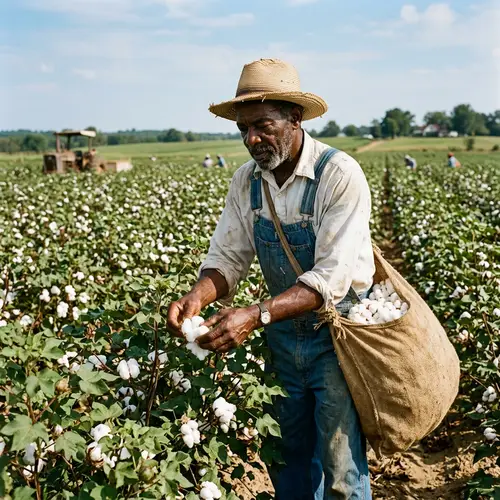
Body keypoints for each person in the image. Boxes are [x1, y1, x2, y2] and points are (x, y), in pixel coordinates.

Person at [167, 59, 374, 499]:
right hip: (281, 336)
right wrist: (197, 297)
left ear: (294, 119)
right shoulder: (247, 182)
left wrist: (255, 314)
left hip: (337, 336)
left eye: (262, 126)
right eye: (243, 130)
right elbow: (228, 257)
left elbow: (331, 280)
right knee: (288, 459)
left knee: (341, 468)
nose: (252, 140)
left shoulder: (338, 175)